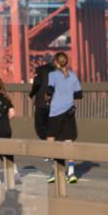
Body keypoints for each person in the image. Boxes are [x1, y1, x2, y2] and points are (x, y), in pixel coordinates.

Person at [45, 52, 83, 184]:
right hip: (69, 112)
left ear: (56, 62)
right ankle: (71, 172)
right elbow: (79, 94)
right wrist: (68, 96)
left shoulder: (52, 75)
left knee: (51, 139)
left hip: (55, 111)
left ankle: (54, 170)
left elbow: (49, 91)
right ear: (66, 62)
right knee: (69, 141)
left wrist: (48, 98)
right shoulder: (73, 76)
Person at [29, 55, 55, 141]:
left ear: (44, 61)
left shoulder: (40, 70)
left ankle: (47, 143)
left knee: (40, 126)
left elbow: (36, 84)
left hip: (41, 103)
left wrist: (32, 94)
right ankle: (52, 144)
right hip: (55, 104)